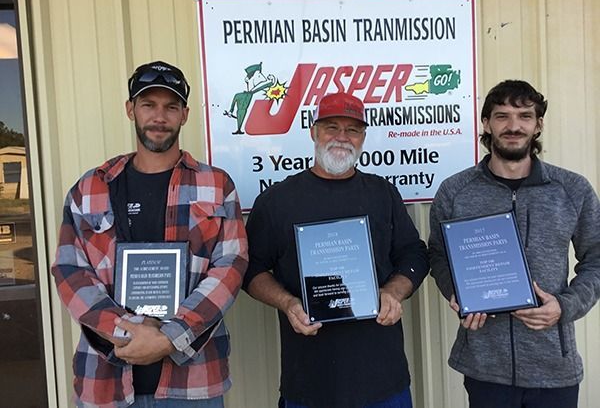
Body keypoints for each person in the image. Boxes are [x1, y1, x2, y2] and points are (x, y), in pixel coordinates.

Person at [51, 60, 248, 408]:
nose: (160, 116)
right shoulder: (89, 187)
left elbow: (230, 266)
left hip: (193, 384)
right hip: (105, 382)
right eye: (148, 105)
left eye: (171, 107)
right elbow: (70, 271)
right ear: (131, 110)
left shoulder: (217, 186)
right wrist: (125, 331)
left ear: (184, 114)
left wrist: (170, 337)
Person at [243, 92, 429, 408]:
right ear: (313, 132)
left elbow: (414, 253)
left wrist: (394, 292)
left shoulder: (383, 193)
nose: (342, 138)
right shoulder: (277, 201)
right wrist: (288, 303)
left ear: (363, 138)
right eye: (331, 127)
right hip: (309, 382)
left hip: (383, 380)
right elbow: (250, 269)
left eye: (353, 129)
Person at [427, 80, 600, 408]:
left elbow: (597, 257)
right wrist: (456, 292)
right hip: (484, 365)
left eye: (524, 116)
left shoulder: (572, 189)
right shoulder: (455, 191)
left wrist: (565, 306)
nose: (513, 126)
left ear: (538, 125)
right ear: (486, 124)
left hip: (554, 363)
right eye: (502, 116)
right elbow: (438, 253)